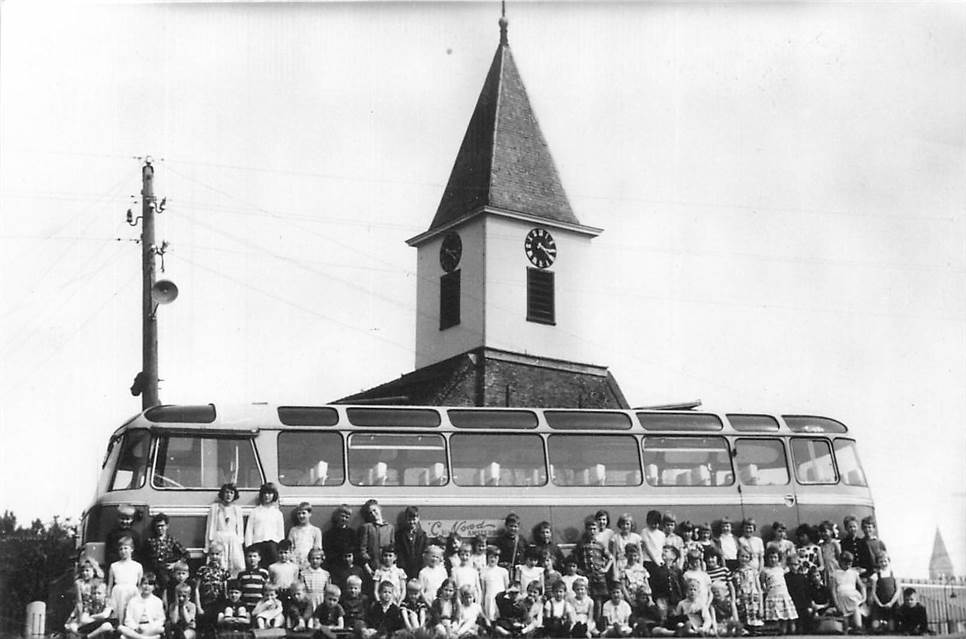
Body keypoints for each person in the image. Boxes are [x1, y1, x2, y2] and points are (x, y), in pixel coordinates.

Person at [575, 518, 612, 621]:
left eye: (594, 529)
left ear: (597, 530)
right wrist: (579, 571)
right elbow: (574, 559)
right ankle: (588, 622)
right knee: (587, 599)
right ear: (586, 530)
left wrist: (605, 569)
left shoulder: (600, 545)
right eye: (589, 529)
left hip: (599, 577)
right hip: (586, 576)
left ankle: (599, 622)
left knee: (599, 601)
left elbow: (611, 558)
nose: (592, 531)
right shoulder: (581, 545)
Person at [143, 513, 189, 595]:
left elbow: (186, 554)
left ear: (167, 526)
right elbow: (144, 557)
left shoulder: (171, 540)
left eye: (162, 525)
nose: (160, 528)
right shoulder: (150, 541)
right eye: (158, 526)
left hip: (168, 572)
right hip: (154, 571)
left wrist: (175, 564)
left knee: (168, 585)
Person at [206, 483, 245, 576]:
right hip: (219, 539)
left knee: (235, 565)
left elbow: (240, 528)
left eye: (231, 492)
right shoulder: (215, 508)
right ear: (222, 494)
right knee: (219, 565)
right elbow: (210, 527)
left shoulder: (237, 509)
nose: (229, 495)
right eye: (226, 492)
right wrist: (208, 546)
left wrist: (239, 543)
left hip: (233, 541)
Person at [245, 482, 285, 568]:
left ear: (274, 495)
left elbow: (280, 533)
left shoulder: (277, 513)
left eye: (270, 493)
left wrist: (280, 548)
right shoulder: (255, 512)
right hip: (258, 545)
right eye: (265, 493)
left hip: (273, 546)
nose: (267, 496)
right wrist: (249, 547)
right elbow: (249, 530)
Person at [108, 535, 144, 625]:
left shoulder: (137, 566)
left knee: (130, 615)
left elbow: (140, 585)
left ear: (132, 549)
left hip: (132, 592)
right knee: (118, 616)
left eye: (125, 548)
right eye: (120, 549)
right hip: (118, 593)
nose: (123, 551)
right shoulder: (114, 566)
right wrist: (108, 598)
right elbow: (109, 585)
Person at [760, 548, 797, 634]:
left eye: (775, 557)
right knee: (775, 618)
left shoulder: (781, 569)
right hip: (772, 595)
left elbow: (788, 561)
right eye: (771, 557)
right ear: (767, 558)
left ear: (778, 558)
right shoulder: (765, 570)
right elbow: (762, 583)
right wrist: (765, 589)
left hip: (783, 594)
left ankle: (788, 632)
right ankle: (777, 631)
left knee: (785, 617)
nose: (773, 559)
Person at [118, 573, 165, 639]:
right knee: (120, 628)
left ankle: (137, 637)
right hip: (137, 627)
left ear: (154, 587)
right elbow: (128, 619)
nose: (147, 586)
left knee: (161, 629)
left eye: (150, 584)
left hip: (150, 628)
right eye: (145, 583)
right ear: (140, 585)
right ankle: (143, 638)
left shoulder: (157, 601)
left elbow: (161, 619)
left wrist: (150, 626)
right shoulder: (133, 600)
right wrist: (135, 627)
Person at [194, 541, 230, 628]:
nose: (214, 557)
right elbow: (196, 589)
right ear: (209, 555)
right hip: (205, 604)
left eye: (217, 554)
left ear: (221, 555)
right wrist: (198, 607)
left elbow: (225, 590)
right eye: (212, 554)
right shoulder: (202, 570)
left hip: (218, 604)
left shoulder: (224, 571)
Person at [831, 550, 867, 633]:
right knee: (844, 617)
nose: (847, 566)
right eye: (845, 563)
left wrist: (864, 598)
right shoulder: (835, 574)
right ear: (840, 562)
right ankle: (847, 629)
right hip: (842, 597)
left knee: (856, 609)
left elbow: (862, 586)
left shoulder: (853, 573)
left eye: (849, 564)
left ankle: (858, 627)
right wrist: (836, 604)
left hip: (853, 596)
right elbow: (833, 590)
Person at [358, 499, 395, 576]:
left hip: (387, 568)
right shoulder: (367, 527)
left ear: (380, 509)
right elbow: (362, 550)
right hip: (372, 567)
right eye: (370, 513)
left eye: (375, 510)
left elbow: (393, 549)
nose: (373, 514)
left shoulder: (390, 528)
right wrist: (368, 569)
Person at [394, 506, 428, 581]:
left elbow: (424, 552)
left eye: (414, 519)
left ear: (418, 518)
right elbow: (399, 552)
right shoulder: (399, 535)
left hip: (419, 568)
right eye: (409, 519)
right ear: (406, 519)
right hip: (405, 568)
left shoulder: (422, 535)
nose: (412, 522)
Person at [732, 547, 763, 631]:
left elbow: (759, 589)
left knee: (755, 627)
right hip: (742, 600)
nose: (744, 559)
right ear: (738, 557)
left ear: (750, 558)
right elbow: (734, 589)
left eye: (746, 557)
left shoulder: (753, 571)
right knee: (744, 625)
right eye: (742, 556)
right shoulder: (735, 573)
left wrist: (761, 607)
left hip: (753, 600)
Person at [870, 554, 900, 632]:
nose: (883, 563)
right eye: (881, 561)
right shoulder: (875, 575)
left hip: (892, 604)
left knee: (892, 628)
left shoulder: (894, 573)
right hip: (879, 604)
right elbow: (873, 592)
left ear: (889, 561)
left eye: (885, 561)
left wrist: (891, 603)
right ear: (878, 563)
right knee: (875, 626)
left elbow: (898, 590)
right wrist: (879, 603)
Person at [289, 502, 324, 570]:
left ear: (309, 514)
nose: (301, 516)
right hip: (295, 564)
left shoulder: (316, 531)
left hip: (310, 564)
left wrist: (309, 563)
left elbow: (317, 550)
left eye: (303, 513)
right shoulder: (293, 530)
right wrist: (295, 562)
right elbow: (290, 549)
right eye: (299, 513)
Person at [609, 513, 642, 582]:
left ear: (631, 525)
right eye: (623, 524)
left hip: (633, 565)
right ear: (620, 525)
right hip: (620, 565)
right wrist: (615, 573)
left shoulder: (636, 537)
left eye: (627, 524)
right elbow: (614, 557)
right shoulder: (615, 538)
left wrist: (640, 568)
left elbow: (640, 555)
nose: (625, 526)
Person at [482, 545, 511, 622]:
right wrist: (482, 602)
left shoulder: (503, 571)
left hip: (500, 598)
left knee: (501, 617)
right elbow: (483, 589)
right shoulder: (483, 571)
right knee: (490, 618)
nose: (493, 559)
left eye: (496, 557)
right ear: (487, 558)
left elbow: (507, 587)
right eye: (491, 557)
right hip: (490, 598)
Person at [268, 539, 301, 605]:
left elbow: (295, 581)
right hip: (277, 593)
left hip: (289, 593)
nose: (283, 555)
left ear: (290, 552)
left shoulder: (294, 567)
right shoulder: (272, 567)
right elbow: (271, 581)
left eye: (286, 552)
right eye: (281, 552)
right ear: (277, 553)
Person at [237, 546, 270, 610]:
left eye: (255, 556)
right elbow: (239, 589)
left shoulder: (264, 573)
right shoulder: (241, 573)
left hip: (259, 605)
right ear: (246, 558)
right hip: (245, 605)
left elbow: (266, 589)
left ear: (259, 558)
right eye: (250, 556)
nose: (252, 559)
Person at [784, 553, 809, 634]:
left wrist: (808, 602)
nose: (794, 566)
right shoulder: (786, 577)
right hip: (791, 600)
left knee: (802, 622)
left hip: (801, 601)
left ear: (799, 565)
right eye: (791, 564)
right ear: (788, 565)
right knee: (791, 623)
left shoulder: (802, 577)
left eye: (796, 564)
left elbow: (806, 590)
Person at [858, 516, 888, 581]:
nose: (867, 530)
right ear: (862, 529)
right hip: (865, 573)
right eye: (865, 527)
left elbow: (885, 558)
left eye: (869, 527)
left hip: (877, 573)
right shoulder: (860, 543)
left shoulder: (879, 543)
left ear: (874, 528)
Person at [818, 520, 842, 588]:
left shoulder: (834, 543)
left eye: (825, 531)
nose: (823, 534)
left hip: (834, 568)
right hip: (826, 570)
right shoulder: (820, 545)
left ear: (831, 532)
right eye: (821, 532)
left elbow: (839, 557)